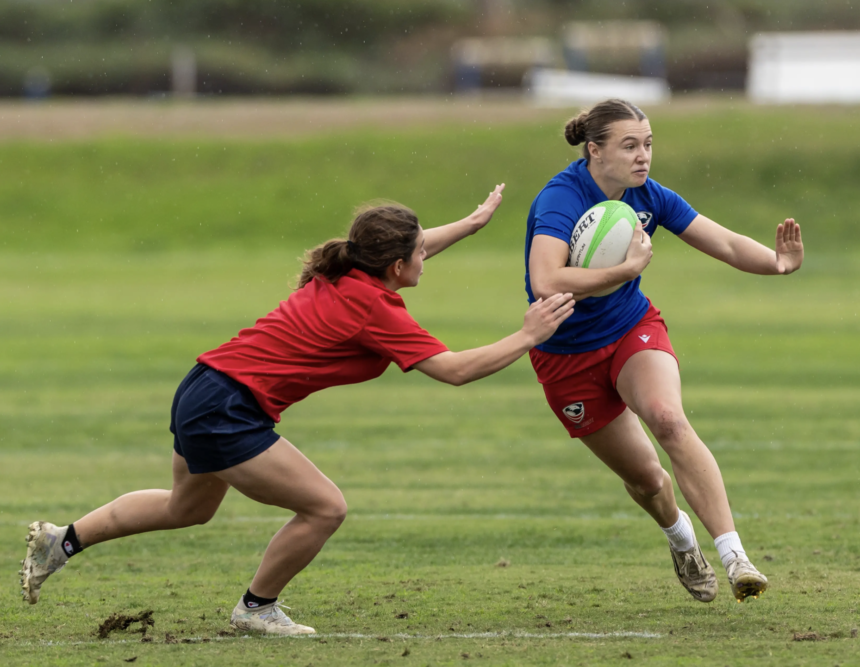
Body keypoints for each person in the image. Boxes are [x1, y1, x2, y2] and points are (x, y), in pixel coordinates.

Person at [21, 187, 575, 635]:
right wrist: (529, 334)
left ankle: (61, 541)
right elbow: (455, 369)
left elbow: (409, 247)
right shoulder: (375, 307)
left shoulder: (346, 270)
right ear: (398, 264)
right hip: (228, 408)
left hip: (204, 386)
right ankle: (256, 607)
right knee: (325, 508)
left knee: (186, 507)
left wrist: (471, 224)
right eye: (422, 254)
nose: (427, 257)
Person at [525, 99, 803, 603]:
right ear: (595, 151)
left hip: (631, 329)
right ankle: (680, 538)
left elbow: (725, 242)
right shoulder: (560, 198)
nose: (643, 156)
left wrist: (777, 263)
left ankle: (735, 554)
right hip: (564, 354)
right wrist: (624, 271)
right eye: (629, 146)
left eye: (648, 144)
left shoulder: (648, 196)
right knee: (648, 481)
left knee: (668, 419)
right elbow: (546, 281)